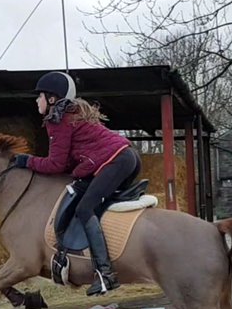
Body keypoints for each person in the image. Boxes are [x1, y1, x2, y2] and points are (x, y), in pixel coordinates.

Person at [11, 71, 141, 296]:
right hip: (126, 157)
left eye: (39, 96)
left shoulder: (58, 119)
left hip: (115, 161)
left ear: (52, 99)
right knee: (80, 194)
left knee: (84, 208)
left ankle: (105, 274)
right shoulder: (69, 114)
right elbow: (70, 161)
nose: (36, 101)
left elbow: (55, 164)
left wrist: (27, 161)